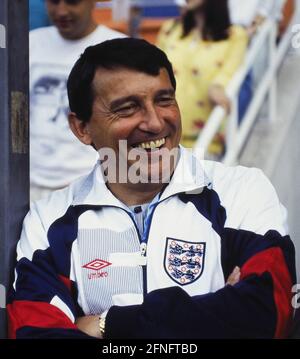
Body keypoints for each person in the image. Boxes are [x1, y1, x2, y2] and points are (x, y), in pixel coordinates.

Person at [8, 38, 296, 339]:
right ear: (82, 128)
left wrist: (108, 325)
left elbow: (267, 314)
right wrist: (212, 312)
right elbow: (36, 334)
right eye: (127, 108)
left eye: (164, 100)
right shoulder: (48, 220)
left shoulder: (242, 191)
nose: (156, 123)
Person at [29, 0, 125, 201]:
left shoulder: (118, 49)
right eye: (54, 2)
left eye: (72, 2)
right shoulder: (29, 43)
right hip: (30, 182)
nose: (62, 11)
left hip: (91, 184)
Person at [157, 0, 248, 157]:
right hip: (161, 138)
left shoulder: (235, 36)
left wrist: (217, 87)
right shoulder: (170, 29)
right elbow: (153, 72)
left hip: (205, 142)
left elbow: (229, 72)